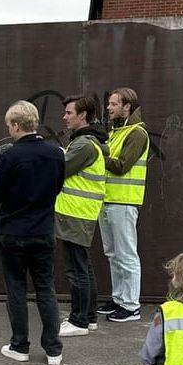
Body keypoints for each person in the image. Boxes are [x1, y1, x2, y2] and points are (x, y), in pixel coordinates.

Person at [0, 100, 65, 365]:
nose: (8, 129)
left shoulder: (10, 156)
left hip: (13, 230)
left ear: (17, 125)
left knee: (16, 289)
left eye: (9, 125)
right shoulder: (56, 153)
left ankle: (20, 345)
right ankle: (53, 349)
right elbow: (57, 186)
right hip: (43, 229)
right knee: (46, 287)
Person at [55, 95, 108, 337]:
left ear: (83, 115)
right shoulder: (86, 142)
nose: (65, 117)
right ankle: (89, 317)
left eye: (69, 113)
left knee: (76, 270)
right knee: (83, 267)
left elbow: (60, 169)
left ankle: (79, 321)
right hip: (79, 213)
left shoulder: (84, 145)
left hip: (75, 213)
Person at [98, 87, 149, 323]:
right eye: (109, 104)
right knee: (113, 254)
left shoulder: (137, 133)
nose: (108, 108)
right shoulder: (117, 131)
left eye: (113, 104)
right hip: (108, 200)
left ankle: (131, 306)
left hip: (124, 201)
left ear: (127, 106)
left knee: (126, 254)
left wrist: (96, 153)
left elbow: (121, 165)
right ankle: (119, 299)